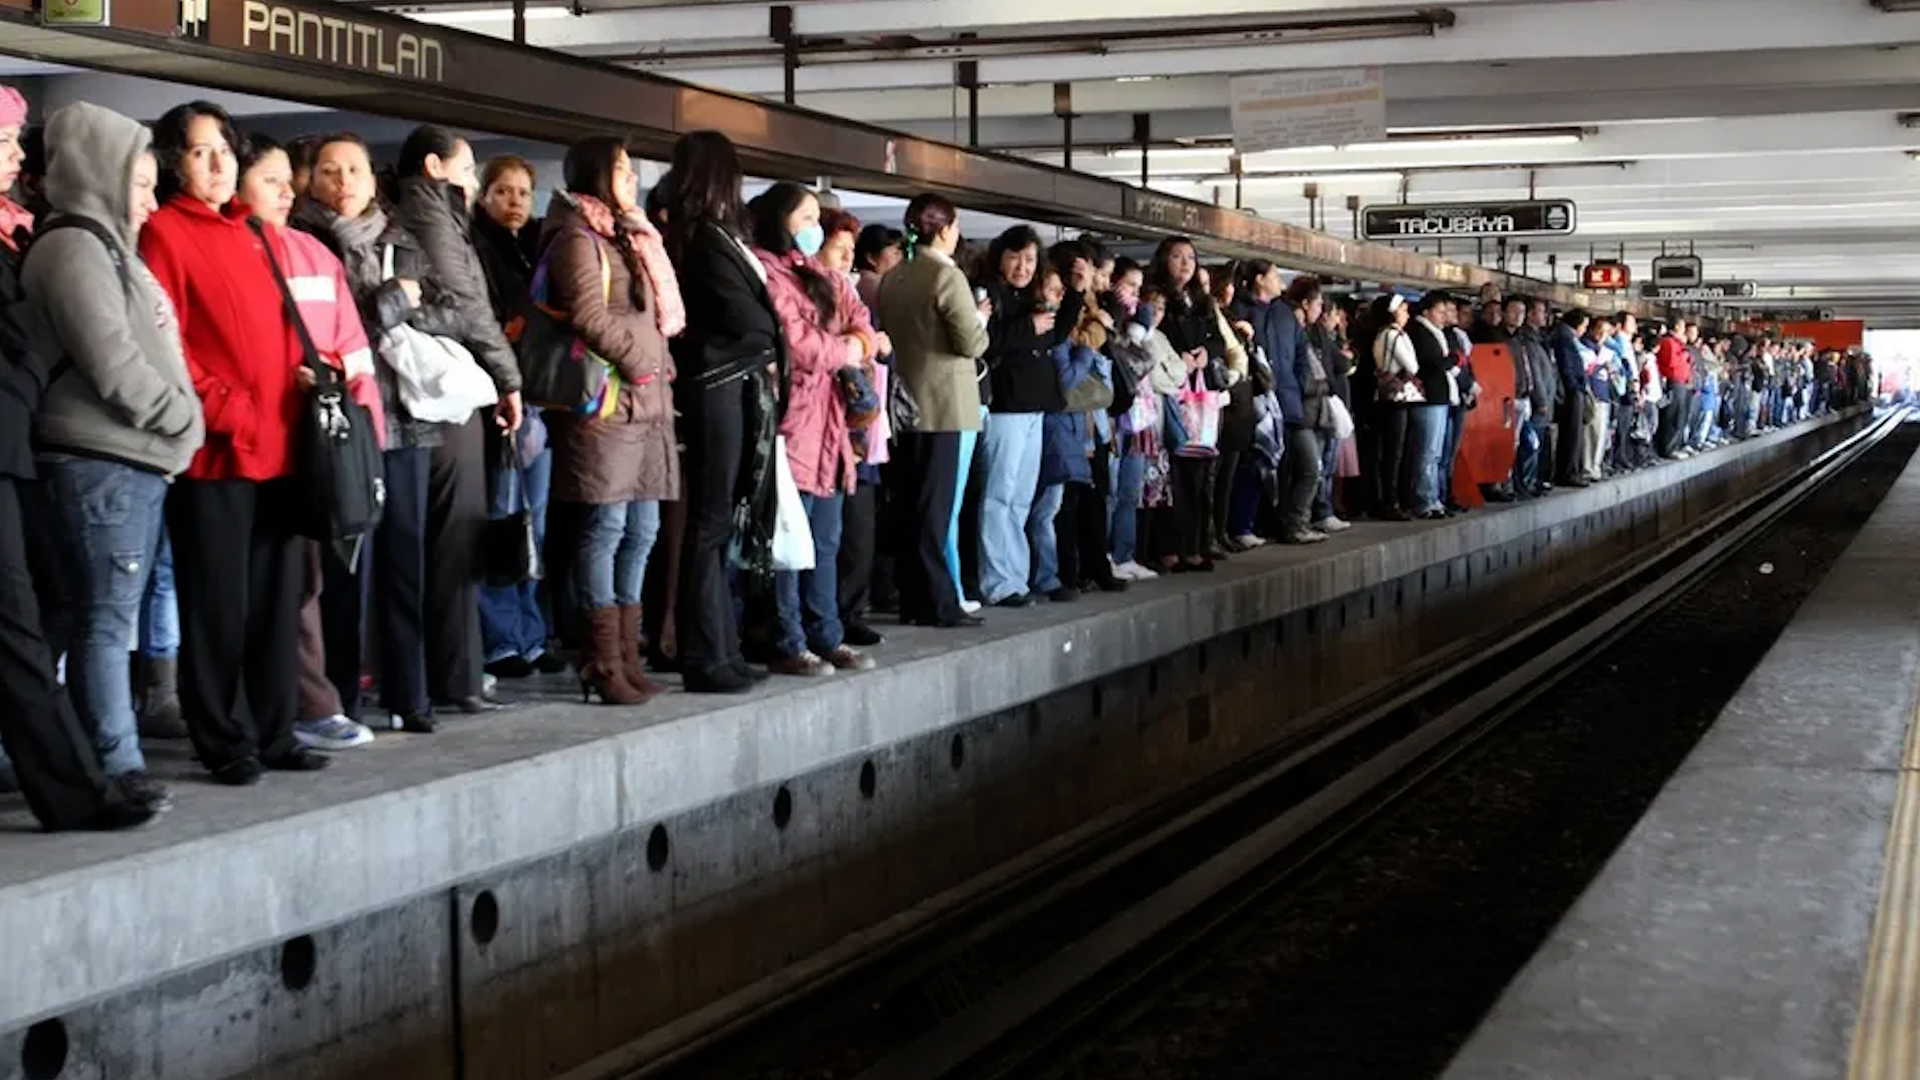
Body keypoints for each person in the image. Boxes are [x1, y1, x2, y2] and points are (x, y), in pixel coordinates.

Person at [140, 100, 329, 783]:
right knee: (217, 605)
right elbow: (168, 345)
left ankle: (276, 731)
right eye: (200, 151)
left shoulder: (253, 232)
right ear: (174, 164)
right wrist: (232, 410)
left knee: (277, 603)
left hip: (280, 447)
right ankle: (222, 739)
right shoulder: (162, 233)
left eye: (224, 148)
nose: (219, 163)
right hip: (217, 452)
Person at [293, 132, 455, 735]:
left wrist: (402, 305)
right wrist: (391, 302)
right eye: (329, 171)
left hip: (407, 423)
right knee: (345, 574)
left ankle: (411, 694)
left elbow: (450, 312)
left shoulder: (401, 239)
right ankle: (341, 698)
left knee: (405, 563)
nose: (342, 181)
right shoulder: (303, 243)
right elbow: (331, 331)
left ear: (371, 178)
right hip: (344, 429)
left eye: (354, 169)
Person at [235, 132, 383, 753]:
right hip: (239, 444)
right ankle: (255, 711)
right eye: (269, 180)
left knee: (302, 581)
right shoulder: (223, 250)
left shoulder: (314, 254)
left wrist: (364, 436)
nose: (286, 191)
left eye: (283, 180)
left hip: (308, 445)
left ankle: (310, 704)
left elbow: (353, 348)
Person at [540, 137, 682, 704]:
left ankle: (628, 652)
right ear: (596, 175)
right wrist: (643, 361)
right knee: (606, 530)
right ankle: (600, 660)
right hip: (607, 400)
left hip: (648, 402)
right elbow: (586, 313)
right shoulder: (575, 236)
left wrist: (656, 371)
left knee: (643, 530)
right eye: (622, 169)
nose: (632, 177)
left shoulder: (628, 234)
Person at [394, 124, 525, 714]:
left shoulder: (440, 217)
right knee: (454, 536)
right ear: (434, 167)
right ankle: (454, 677)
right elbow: (467, 306)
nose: (473, 181)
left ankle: (456, 673)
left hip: (451, 390)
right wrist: (509, 377)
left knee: (454, 536)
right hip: (445, 395)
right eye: (468, 169)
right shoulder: (432, 218)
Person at [665, 131, 787, 693]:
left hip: (730, 383)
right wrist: (772, 334)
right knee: (710, 522)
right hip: (717, 384)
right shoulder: (704, 240)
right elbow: (751, 320)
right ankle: (704, 654)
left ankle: (722, 647)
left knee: (718, 520)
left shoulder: (717, 235)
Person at [749, 181, 881, 674]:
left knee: (826, 537)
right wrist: (848, 349)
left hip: (830, 420)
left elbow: (861, 319)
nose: (814, 230)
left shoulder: (822, 275)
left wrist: (855, 344)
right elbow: (799, 343)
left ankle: (826, 633)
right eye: (805, 219)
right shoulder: (767, 271)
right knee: (791, 538)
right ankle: (789, 639)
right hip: (795, 416)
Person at [876, 193, 991, 628]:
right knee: (936, 510)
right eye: (956, 227)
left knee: (910, 505)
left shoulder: (895, 276)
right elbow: (971, 343)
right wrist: (980, 324)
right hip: (945, 405)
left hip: (904, 403)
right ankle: (941, 604)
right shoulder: (947, 277)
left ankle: (913, 599)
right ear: (943, 230)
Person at [471, 153, 559, 679]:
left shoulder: (532, 249)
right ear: (484, 195)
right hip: (501, 403)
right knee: (504, 522)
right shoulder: (479, 248)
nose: (515, 202)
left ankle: (531, 634)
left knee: (534, 525)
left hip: (538, 403)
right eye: (503, 191)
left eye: (524, 193)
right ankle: (502, 639)